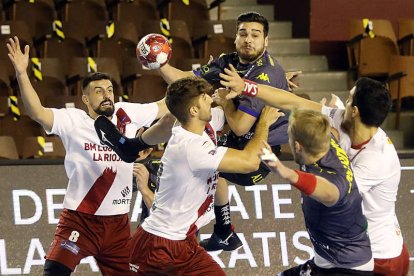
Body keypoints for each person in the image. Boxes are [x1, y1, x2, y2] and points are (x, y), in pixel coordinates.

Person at [220, 65, 409, 275]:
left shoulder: (377, 159)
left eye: (349, 100)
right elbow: (293, 102)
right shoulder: (342, 120)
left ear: (355, 111)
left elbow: (333, 192)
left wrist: (291, 169)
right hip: (336, 252)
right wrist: (246, 86)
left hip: (377, 258)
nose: (344, 104)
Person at [6, 36, 172, 275]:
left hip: (118, 224)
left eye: (110, 90)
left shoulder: (128, 112)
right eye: (98, 91)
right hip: (80, 219)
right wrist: (22, 74)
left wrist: (197, 78)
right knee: (54, 271)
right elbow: (37, 112)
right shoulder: (72, 120)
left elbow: (167, 105)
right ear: (85, 99)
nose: (106, 95)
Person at [94, 76, 280, 274]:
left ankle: (131, 146)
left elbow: (168, 121)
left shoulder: (190, 124)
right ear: (193, 111)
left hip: (184, 242)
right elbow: (250, 163)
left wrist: (272, 85)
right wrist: (265, 123)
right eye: (204, 98)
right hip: (157, 246)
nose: (211, 100)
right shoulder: (191, 147)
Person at [154, 11, 291, 251]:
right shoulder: (228, 61)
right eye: (243, 33)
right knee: (205, 160)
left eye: (255, 35)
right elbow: (186, 82)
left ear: (266, 41)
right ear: (236, 38)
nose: (248, 39)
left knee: (201, 169)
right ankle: (224, 232)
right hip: (239, 138)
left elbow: (240, 126)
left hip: (262, 150)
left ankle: (200, 231)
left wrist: (225, 101)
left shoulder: (265, 75)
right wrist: (160, 64)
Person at [259, 109, 374, 275]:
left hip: (348, 269)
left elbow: (329, 193)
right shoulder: (325, 141)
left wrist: (285, 172)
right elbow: (330, 129)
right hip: (324, 262)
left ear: (297, 145)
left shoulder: (333, 180)